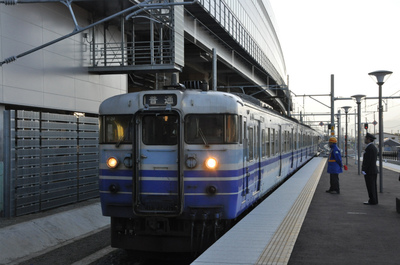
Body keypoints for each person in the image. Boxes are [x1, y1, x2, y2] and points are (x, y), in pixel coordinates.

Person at [362, 133, 378, 205]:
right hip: (373, 170)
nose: (365, 139)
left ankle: (372, 200)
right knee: (373, 186)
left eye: (366, 138)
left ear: (368, 139)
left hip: (369, 171)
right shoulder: (373, 147)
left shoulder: (369, 148)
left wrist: (364, 169)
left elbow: (367, 160)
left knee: (370, 186)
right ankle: (374, 200)